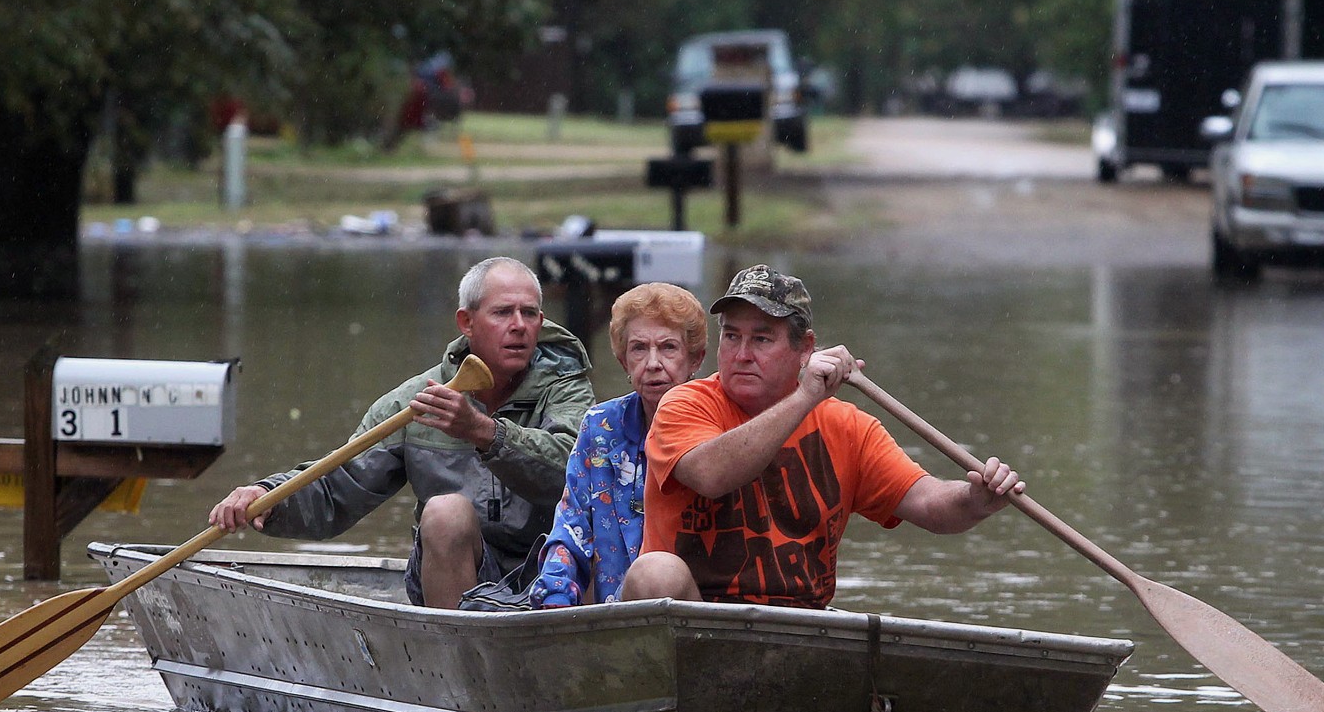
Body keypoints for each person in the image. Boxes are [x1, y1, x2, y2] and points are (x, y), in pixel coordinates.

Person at [621, 264, 1025, 610]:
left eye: (761, 339)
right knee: (655, 572)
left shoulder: (849, 427)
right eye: (732, 336)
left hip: (801, 626)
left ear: (805, 349)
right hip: (699, 624)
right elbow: (712, 475)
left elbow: (927, 502)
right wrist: (806, 396)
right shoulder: (683, 404)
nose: (742, 353)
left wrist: (975, 500)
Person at [209, 256, 594, 609]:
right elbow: (339, 486)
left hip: (552, 570)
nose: (518, 326)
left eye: (529, 314)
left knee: (601, 528)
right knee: (445, 512)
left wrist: (484, 432)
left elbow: (571, 471)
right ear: (467, 322)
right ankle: (454, 655)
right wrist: (268, 496)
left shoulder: (568, 390)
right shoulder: (414, 402)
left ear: (541, 323)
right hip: (456, 579)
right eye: (502, 313)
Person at [528, 283, 708, 608]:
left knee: (657, 575)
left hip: (698, 620)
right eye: (639, 349)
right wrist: (554, 597)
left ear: (695, 358)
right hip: (614, 619)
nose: (653, 363)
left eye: (668, 348)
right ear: (624, 361)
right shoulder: (600, 425)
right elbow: (572, 526)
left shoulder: (719, 421)